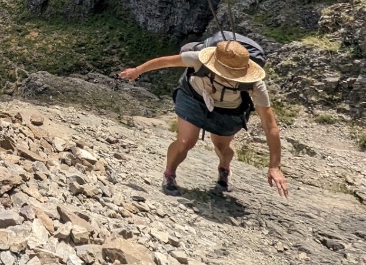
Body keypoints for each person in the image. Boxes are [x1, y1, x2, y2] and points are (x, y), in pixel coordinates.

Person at [119, 39, 289, 198]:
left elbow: (270, 125)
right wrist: (137, 71)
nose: (226, 76)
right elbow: (166, 61)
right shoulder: (199, 59)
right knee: (186, 141)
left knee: (222, 147)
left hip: (230, 109)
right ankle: (169, 174)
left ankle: (224, 167)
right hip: (193, 97)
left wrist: (275, 166)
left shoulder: (255, 84)